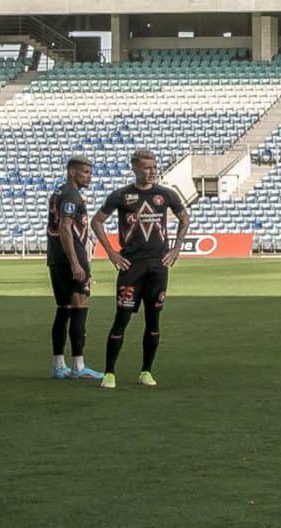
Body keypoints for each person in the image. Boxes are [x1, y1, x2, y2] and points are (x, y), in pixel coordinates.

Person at [97, 149, 188, 388]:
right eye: (146, 168)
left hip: (158, 266)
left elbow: (184, 218)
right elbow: (97, 221)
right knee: (122, 318)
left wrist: (176, 248)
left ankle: (146, 371)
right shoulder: (121, 195)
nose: (152, 172)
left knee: (153, 320)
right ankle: (109, 372)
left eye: (154, 167)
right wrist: (111, 252)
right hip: (131, 266)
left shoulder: (166, 194)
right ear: (135, 169)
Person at [46, 156, 102, 381]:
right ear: (72, 172)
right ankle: (79, 365)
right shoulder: (71, 194)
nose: (89, 177)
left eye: (90, 172)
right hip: (72, 257)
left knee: (63, 308)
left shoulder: (58, 192)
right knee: (79, 306)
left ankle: (59, 365)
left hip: (55, 257)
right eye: (85, 172)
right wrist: (75, 262)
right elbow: (65, 226)